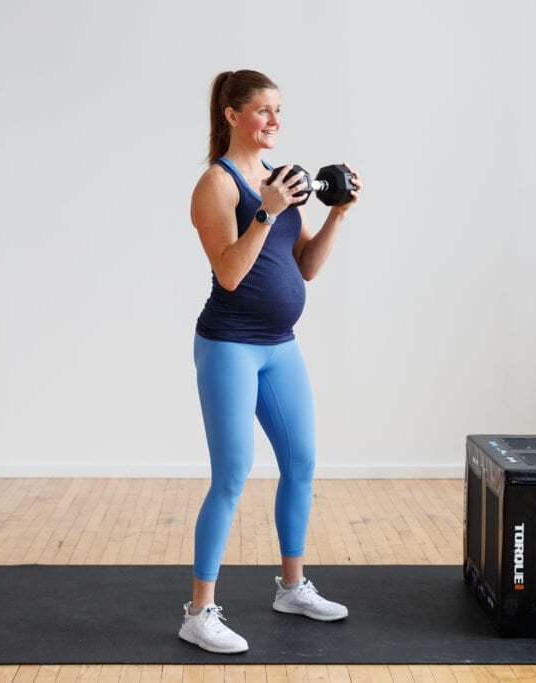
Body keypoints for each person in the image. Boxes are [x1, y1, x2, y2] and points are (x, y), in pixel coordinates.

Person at [179, 69, 362, 654]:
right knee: (232, 474)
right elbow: (230, 274)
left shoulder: (280, 180)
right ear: (232, 114)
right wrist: (265, 210)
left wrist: (337, 213)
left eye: (279, 110)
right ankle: (199, 611)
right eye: (263, 110)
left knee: (302, 463)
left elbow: (304, 265)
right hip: (230, 344)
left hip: (280, 345)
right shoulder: (218, 183)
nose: (275, 121)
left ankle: (291, 586)